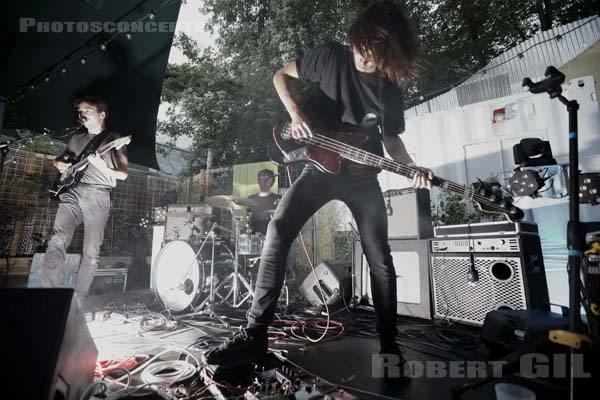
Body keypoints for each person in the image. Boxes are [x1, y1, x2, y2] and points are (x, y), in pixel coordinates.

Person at [203, 1, 432, 374]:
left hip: (361, 176)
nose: (363, 59)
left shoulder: (389, 90)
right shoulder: (330, 56)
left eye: (373, 57)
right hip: (321, 169)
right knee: (278, 228)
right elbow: (280, 75)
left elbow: (392, 142)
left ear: (389, 55)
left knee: (380, 260)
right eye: (360, 49)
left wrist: (411, 168)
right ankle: (254, 336)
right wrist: (295, 114)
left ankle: (390, 350)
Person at [41, 95, 128, 298]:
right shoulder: (77, 138)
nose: (82, 114)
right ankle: (46, 294)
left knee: (91, 252)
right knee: (58, 239)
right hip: (71, 192)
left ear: (102, 114)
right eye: (80, 111)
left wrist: (102, 166)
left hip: (98, 194)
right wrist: (58, 163)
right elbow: (62, 159)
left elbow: (122, 174)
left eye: (87, 109)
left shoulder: (114, 139)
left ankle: (78, 299)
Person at [247, 169, 281, 236]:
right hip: (254, 237)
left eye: (268, 176)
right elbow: (248, 217)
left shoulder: (278, 198)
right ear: (259, 180)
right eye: (263, 175)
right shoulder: (251, 198)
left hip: (272, 236)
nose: (266, 178)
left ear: (272, 181)